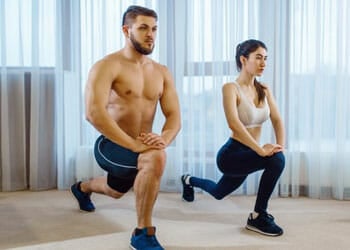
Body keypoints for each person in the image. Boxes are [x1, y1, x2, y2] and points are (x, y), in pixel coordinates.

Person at [70, 5, 181, 250]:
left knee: (115, 190)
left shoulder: (161, 72)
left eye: (154, 29)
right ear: (126, 30)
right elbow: (93, 112)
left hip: (142, 145)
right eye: (143, 28)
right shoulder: (107, 65)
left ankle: (82, 188)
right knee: (155, 159)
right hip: (112, 143)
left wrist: (163, 138)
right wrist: (134, 145)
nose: (150, 34)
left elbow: (174, 116)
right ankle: (143, 233)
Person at [181, 39, 285, 237]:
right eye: (258, 58)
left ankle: (188, 180)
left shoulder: (264, 89)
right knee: (276, 161)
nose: (263, 63)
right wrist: (261, 150)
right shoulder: (230, 88)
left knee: (219, 192)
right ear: (243, 59)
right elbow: (234, 124)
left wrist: (280, 145)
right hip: (232, 155)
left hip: (250, 153)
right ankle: (257, 216)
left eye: (265, 58)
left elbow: (277, 120)